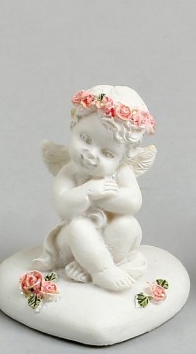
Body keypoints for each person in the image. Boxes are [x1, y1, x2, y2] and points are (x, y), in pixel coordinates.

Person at [33, 85, 156, 291]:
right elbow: (64, 207)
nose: (90, 154)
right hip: (71, 241)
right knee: (80, 227)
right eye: (85, 139)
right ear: (73, 126)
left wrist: (106, 196)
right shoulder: (70, 172)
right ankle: (101, 271)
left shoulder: (121, 172)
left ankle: (93, 265)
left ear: (122, 159)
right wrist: (89, 191)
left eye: (107, 153)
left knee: (127, 224)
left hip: (110, 240)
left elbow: (133, 203)